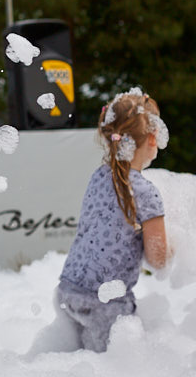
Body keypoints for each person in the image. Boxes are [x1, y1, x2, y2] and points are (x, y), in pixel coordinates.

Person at [52, 89, 171, 352]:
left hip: (68, 291)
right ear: (153, 139)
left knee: (71, 365)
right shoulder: (146, 193)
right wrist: (177, 245)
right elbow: (158, 258)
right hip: (105, 306)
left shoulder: (99, 176)